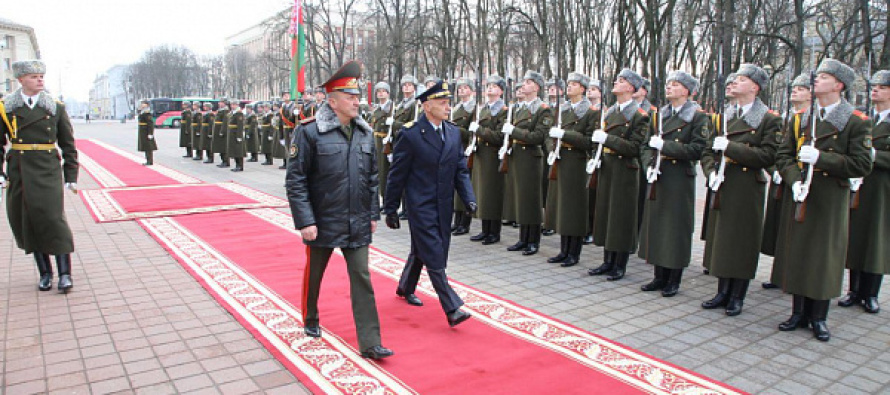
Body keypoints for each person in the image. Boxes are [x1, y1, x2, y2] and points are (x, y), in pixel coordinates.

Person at [285, 60, 393, 360]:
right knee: (315, 273)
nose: (357, 102)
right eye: (350, 97)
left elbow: (373, 179)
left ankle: (370, 342)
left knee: (362, 277)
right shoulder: (309, 132)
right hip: (321, 219)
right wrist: (305, 220)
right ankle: (310, 317)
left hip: (356, 220)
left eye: (358, 97)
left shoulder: (364, 132)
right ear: (332, 102)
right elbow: (295, 180)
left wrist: (373, 214)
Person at [774, 58, 872, 341]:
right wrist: (794, 181)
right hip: (803, 194)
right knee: (800, 253)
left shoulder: (854, 122)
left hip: (830, 198)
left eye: (824, 77)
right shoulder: (802, 119)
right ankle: (797, 311)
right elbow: (784, 156)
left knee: (823, 257)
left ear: (839, 85)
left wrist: (822, 158)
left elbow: (861, 164)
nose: (816, 80)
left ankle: (818, 316)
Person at [384, 79, 477, 327]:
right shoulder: (411, 133)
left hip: (443, 203)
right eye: (443, 103)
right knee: (434, 253)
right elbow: (397, 175)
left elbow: (460, 169)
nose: (448, 107)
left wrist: (468, 197)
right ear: (426, 106)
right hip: (420, 204)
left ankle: (405, 286)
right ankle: (451, 307)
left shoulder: (453, 132)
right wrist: (390, 207)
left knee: (423, 249)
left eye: (449, 103)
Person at [700, 64, 780, 316]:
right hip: (724, 182)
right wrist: (710, 171)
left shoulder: (769, 119)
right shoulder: (723, 117)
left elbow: (768, 155)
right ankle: (722, 290)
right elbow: (706, 150)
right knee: (723, 241)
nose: (733, 83)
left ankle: (737, 295)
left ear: (755, 87)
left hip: (747, 188)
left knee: (743, 241)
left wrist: (731, 148)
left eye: (741, 79)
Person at [0, 59, 79, 293]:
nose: (40, 79)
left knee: (53, 219)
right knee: (28, 220)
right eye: (34, 76)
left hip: (47, 170)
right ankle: (45, 274)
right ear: (21, 80)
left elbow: (68, 144)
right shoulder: (6, 108)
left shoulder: (55, 107)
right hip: (20, 170)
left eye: (41, 76)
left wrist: (70, 175)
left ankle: (65, 273)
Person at [638, 69, 708, 297]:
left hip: (679, 178)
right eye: (668, 84)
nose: (670, 87)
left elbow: (698, 149)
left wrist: (665, 147)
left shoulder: (697, 117)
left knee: (675, 228)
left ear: (687, 90)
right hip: (659, 174)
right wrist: (649, 164)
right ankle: (659, 275)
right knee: (658, 226)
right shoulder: (659, 116)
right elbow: (646, 145)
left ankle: (674, 278)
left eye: (676, 84)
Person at [587, 68, 648, 278]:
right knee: (606, 215)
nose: (616, 82)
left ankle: (619, 264)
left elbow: (635, 148)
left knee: (621, 217)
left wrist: (608, 140)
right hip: (608, 167)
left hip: (625, 171)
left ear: (631, 88)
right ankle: (607, 260)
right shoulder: (609, 112)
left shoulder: (639, 115)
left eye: (621, 81)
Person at [839, 69, 889, 315]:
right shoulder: (865, 119)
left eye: (881, 87)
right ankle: (854, 290)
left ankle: (871, 293)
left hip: (880, 187)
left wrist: (873, 155)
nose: (875, 90)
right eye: (874, 87)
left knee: (875, 239)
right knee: (856, 236)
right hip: (858, 184)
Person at [762, 73, 810, 289]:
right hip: (784, 176)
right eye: (795, 88)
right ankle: (780, 275)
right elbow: (779, 150)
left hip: (801, 180)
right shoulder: (788, 116)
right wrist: (776, 169)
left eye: (801, 88)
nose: (795, 91)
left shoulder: (808, 118)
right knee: (782, 230)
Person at [545, 72, 597, 268]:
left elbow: (589, 141)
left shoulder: (590, 112)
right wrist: (552, 148)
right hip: (561, 160)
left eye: (574, 84)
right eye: (569, 84)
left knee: (575, 209)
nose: (570, 87)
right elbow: (549, 134)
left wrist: (565, 135)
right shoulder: (562, 109)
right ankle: (563, 249)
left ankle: (574, 252)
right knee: (563, 208)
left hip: (577, 162)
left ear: (583, 89)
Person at [502, 71, 554, 256]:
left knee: (532, 201)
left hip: (532, 158)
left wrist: (514, 131)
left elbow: (538, 136)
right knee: (521, 199)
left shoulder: (542, 109)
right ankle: (523, 238)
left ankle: (533, 241)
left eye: (529, 82)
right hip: (517, 156)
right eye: (524, 82)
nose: (524, 85)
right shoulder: (518, 107)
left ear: (537, 87)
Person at [469, 75, 509, 245]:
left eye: (494, 86)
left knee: (492, 194)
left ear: (501, 91)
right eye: (489, 86)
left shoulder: (504, 111)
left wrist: (479, 130)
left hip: (493, 156)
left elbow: (499, 136)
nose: (490, 89)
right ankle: (485, 229)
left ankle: (494, 232)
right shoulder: (483, 109)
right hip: (481, 154)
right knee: (483, 194)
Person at [450, 78, 477, 236]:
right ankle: (457, 220)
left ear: (472, 91)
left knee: (465, 186)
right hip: (455, 148)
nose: (461, 90)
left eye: (465, 88)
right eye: (459, 88)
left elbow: (470, 133)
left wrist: (454, 129)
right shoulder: (456, 108)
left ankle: (465, 222)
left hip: (466, 149)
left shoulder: (474, 109)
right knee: (455, 187)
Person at [370, 82, 394, 203]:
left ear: (388, 93)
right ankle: (383, 198)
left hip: (387, 143)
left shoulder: (391, 108)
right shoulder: (376, 109)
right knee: (379, 171)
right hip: (377, 142)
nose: (381, 93)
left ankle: (387, 200)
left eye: (383, 91)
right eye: (378, 91)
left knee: (386, 172)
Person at [226, 101, 246, 172]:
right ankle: (236, 165)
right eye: (231, 104)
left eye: (234, 104)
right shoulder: (232, 113)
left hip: (236, 133)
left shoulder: (239, 113)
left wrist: (239, 136)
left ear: (237, 105)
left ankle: (240, 166)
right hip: (231, 133)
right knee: (234, 150)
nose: (232, 106)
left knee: (238, 151)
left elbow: (240, 125)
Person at [137, 99, 157, 165]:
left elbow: (150, 124)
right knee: (145, 146)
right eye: (142, 103)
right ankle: (148, 160)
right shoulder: (143, 112)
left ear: (147, 105)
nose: (142, 105)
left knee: (148, 147)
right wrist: (139, 110)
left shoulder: (147, 113)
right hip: (143, 131)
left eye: (144, 103)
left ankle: (150, 161)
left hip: (146, 131)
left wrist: (150, 133)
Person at [211, 98, 230, 166]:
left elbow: (225, 122)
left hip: (222, 131)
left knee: (223, 147)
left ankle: (226, 161)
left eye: (221, 102)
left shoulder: (226, 111)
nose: (219, 103)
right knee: (220, 146)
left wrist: (222, 131)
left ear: (225, 103)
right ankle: (223, 161)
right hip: (218, 130)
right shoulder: (220, 110)